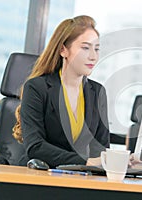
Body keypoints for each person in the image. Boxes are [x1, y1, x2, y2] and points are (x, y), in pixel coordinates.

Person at [12, 15, 110, 168]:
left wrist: (120, 160)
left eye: (96, 49)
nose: (93, 56)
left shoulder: (97, 92)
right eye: (85, 48)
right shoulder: (37, 88)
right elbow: (35, 147)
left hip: (80, 179)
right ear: (63, 50)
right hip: (38, 175)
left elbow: (101, 148)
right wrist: (85, 162)